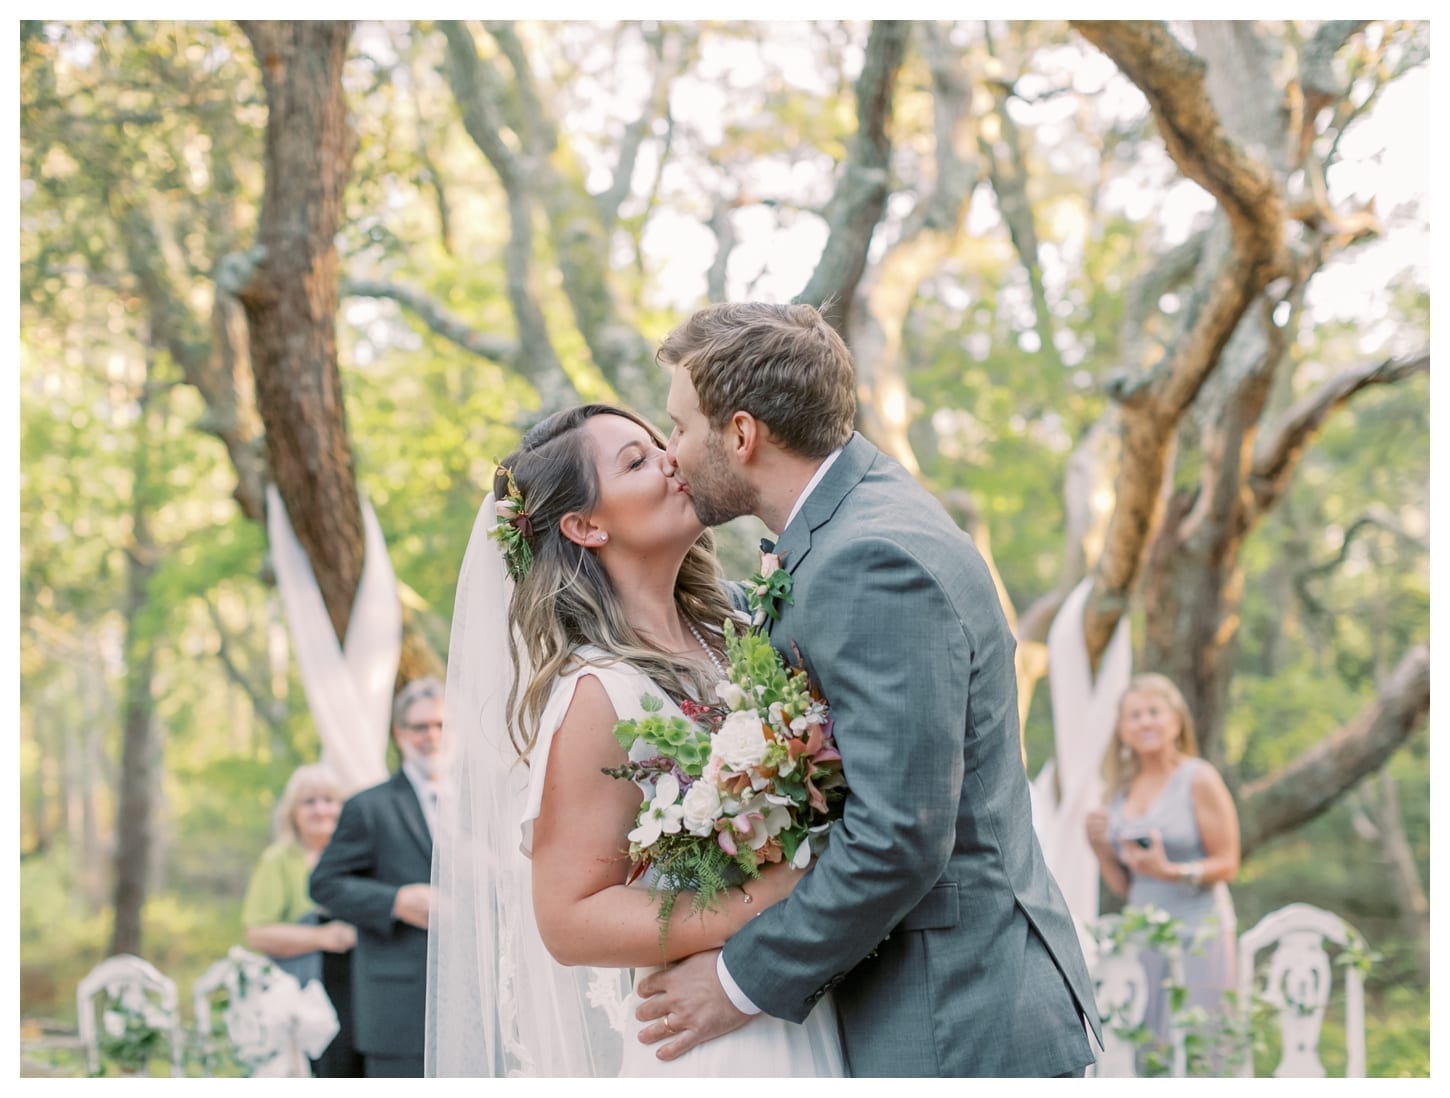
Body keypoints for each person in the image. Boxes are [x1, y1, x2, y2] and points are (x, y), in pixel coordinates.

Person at [635, 301, 1101, 1077]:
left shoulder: (873, 558)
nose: (671, 452)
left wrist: (736, 981)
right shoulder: (850, 518)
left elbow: (898, 836)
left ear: (742, 434)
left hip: (954, 1019)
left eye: (679, 426)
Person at [426, 404, 843, 1077]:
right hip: (714, 1043)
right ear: (585, 526)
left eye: (660, 443)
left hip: (808, 1008)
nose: (672, 460)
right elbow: (570, 919)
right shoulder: (599, 693)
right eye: (637, 461)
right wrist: (754, 905)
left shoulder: (742, 631)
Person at [1085, 672, 1241, 1067]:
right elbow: (1126, 885)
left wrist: (1172, 871)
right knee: (1150, 1050)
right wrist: (1101, 849)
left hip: (1199, 933)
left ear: (1175, 721)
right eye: (1134, 716)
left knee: (1203, 1049)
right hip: (1144, 938)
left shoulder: (1198, 778)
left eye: (1154, 712)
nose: (1145, 722)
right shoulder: (1118, 791)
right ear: (1122, 730)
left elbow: (1229, 862)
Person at [310, 678, 444, 1078]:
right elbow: (324, 884)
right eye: (420, 727)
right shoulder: (368, 807)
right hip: (398, 1012)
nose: (432, 736)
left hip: (476, 1004)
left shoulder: (479, 808)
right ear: (400, 734)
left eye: (441, 725)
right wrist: (395, 902)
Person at [240, 762, 361, 1077]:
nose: (321, 810)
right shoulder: (278, 860)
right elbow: (258, 933)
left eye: (329, 800)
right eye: (310, 802)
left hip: (359, 987)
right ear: (293, 812)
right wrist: (323, 938)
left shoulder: (359, 854)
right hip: (306, 994)